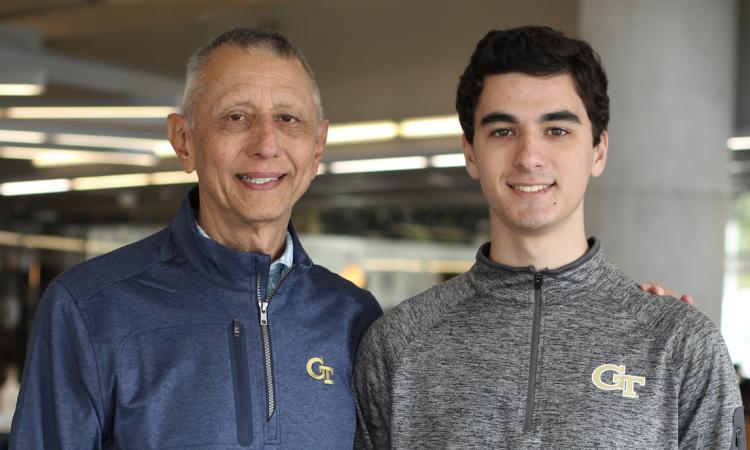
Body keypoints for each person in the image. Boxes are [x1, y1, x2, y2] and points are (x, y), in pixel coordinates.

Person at [353, 26, 745, 449]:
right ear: (470, 153)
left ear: (598, 150)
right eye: (503, 131)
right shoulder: (398, 344)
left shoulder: (681, 344)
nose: (529, 157)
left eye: (557, 130)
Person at [10, 28, 382, 449]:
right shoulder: (89, 310)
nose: (266, 144)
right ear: (183, 140)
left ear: (317, 147)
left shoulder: (354, 317)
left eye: (288, 119)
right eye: (236, 117)